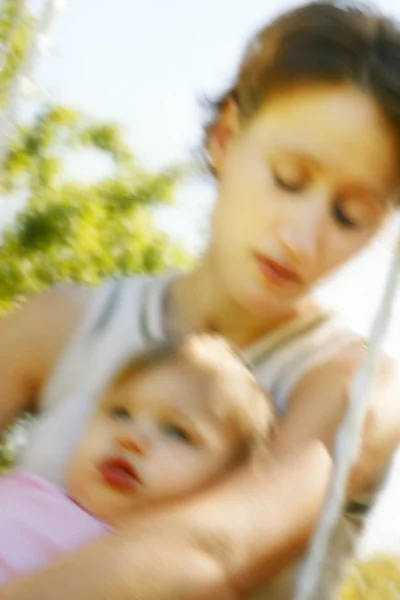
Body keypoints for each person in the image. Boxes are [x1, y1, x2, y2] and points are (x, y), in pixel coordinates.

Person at [1, 1, 400, 598]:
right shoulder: (65, 321)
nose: (302, 237)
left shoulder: (355, 385)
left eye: (350, 215)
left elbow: (211, 551)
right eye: (288, 178)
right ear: (225, 138)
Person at [0, 334, 274, 585]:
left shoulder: (156, 577)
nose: (130, 437)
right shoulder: (22, 486)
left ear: (222, 489)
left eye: (176, 432)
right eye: (120, 413)